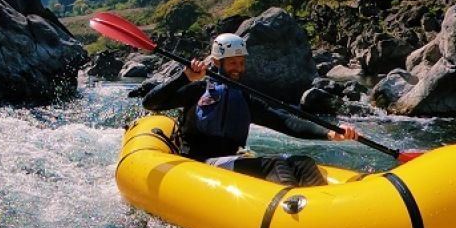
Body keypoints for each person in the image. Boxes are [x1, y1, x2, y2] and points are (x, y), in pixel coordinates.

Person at [142, 33, 361, 186]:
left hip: (232, 158)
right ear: (217, 62)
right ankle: (294, 224)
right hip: (201, 163)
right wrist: (184, 77)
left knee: (303, 162)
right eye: (233, 63)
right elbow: (151, 103)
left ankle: (322, 213)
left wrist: (329, 133)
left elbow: (283, 121)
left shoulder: (243, 97)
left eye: (241, 63)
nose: (239, 68)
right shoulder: (197, 89)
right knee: (275, 164)